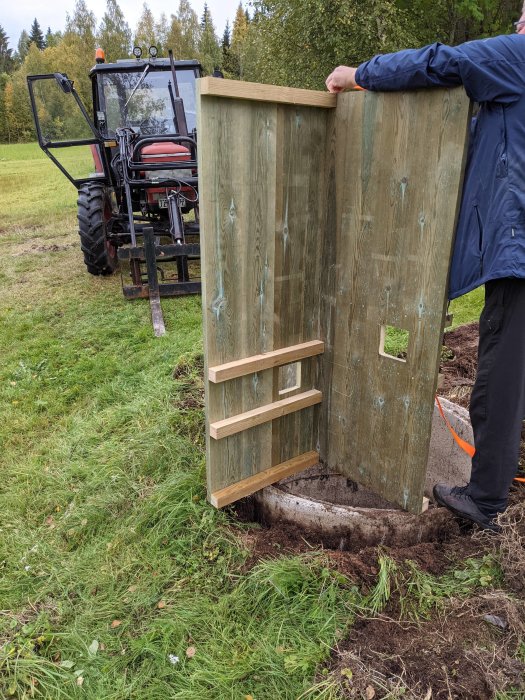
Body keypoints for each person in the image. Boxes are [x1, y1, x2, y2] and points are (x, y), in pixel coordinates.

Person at [326, 7, 525, 532]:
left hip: (519, 256)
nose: (519, 26)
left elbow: (444, 62)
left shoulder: (521, 57)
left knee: (499, 379)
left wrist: (359, 74)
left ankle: (484, 501)